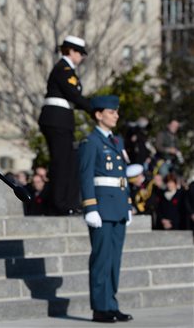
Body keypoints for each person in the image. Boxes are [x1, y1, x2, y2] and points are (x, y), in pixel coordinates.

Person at [79, 95, 133, 323]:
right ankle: (100, 307)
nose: (116, 115)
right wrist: (90, 207)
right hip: (101, 209)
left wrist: (128, 204)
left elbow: (122, 176)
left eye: (116, 111)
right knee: (101, 259)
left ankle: (111, 303)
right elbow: (86, 175)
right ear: (99, 115)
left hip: (118, 207)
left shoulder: (117, 141)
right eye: (112, 112)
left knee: (114, 260)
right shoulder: (91, 142)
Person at [38, 36, 93, 216]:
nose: (82, 57)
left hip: (61, 119)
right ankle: (59, 204)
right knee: (61, 162)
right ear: (70, 51)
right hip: (57, 119)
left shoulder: (68, 69)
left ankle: (63, 202)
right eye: (79, 53)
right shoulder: (64, 69)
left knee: (66, 161)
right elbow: (74, 94)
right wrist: (95, 109)